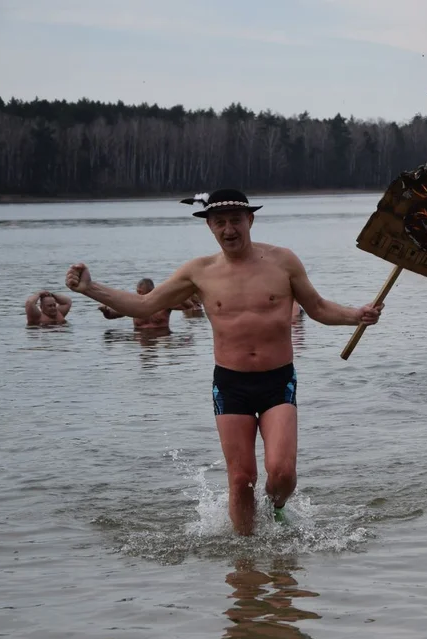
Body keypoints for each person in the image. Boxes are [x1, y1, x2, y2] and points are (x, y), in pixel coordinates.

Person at [64, 189, 383, 536]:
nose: (229, 229)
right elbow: (144, 306)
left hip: (278, 381)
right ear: (210, 227)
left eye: (235, 220)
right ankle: (245, 557)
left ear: (250, 220)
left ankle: (276, 511)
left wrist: (356, 315)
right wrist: (90, 288)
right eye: (220, 223)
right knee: (242, 477)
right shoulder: (198, 272)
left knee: (282, 474)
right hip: (231, 385)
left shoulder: (283, 262)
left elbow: (318, 308)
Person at [99, 278, 197, 331]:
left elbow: (188, 306)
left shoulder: (164, 303)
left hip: (161, 338)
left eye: (141, 292)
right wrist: (105, 311)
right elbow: (112, 315)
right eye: (137, 292)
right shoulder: (134, 305)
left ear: (151, 291)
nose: (138, 295)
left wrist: (176, 293)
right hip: (139, 339)